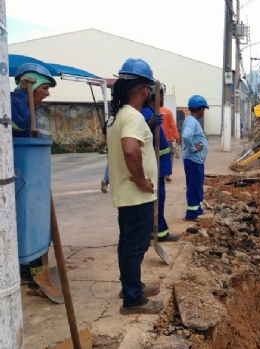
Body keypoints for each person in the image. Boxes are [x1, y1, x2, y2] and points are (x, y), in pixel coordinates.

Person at [106, 58, 163, 314]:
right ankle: (133, 300)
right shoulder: (133, 118)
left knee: (127, 243)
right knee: (135, 246)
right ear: (143, 90)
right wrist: (142, 181)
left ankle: (131, 285)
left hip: (127, 195)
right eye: (149, 88)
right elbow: (131, 152)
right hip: (136, 194)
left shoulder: (118, 115)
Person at [12, 63, 56, 296]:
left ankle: (30, 271)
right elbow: (17, 123)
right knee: (25, 225)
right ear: (31, 83)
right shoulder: (15, 102)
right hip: (20, 177)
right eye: (45, 87)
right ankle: (30, 272)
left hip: (33, 176)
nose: (47, 93)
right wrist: (24, 96)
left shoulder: (27, 104)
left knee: (33, 223)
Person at [140, 84, 179, 242]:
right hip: (154, 166)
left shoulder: (153, 112)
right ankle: (156, 231)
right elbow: (140, 133)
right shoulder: (145, 113)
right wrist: (149, 124)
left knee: (159, 199)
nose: (163, 98)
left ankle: (159, 231)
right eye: (162, 95)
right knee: (155, 200)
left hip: (160, 166)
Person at [182, 95, 209, 222]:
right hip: (193, 160)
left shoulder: (192, 121)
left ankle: (197, 209)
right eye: (203, 109)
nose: (203, 111)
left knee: (197, 185)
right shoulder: (192, 121)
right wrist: (193, 148)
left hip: (196, 160)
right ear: (200, 109)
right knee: (193, 185)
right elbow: (186, 136)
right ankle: (192, 213)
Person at [159, 86, 180, 182]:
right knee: (169, 155)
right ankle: (167, 173)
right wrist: (176, 137)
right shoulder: (168, 112)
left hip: (155, 138)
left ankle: (158, 173)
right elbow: (172, 126)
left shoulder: (151, 111)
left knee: (157, 156)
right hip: (166, 138)